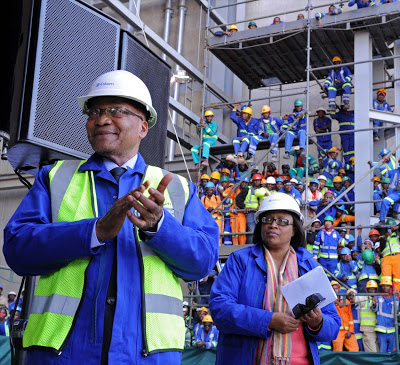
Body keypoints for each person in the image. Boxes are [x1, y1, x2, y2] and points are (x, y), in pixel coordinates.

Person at [3, 70, 219, 364]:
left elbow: (203, 261)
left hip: (146, 356)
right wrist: (95, 231)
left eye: (116, 110)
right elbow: (17, 249)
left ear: (143, 127)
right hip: (63, 354)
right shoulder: (54, 178)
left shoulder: (177, 188)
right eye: (95, 111)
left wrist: (160, 227)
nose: (102, 119)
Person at [209, 193, 340, 364]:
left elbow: (333, 326)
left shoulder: (309, 267)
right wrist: (268, 321)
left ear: (295, 229)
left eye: (282, 221)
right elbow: (220, 309)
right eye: (267, 220)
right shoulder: (240, 261)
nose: (273, 225)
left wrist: (318, 322)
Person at [372, 277, 398, 352]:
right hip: (381, 329)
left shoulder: (395, 299)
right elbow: (373, 309)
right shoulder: (377, 297)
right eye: (383, 285)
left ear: (390, 287)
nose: (385, 287)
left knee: (392, 353)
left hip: (392, 329)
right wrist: (374, 305)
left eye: (387, 285)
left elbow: (398, 312)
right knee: (382, 352)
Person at [331, 284, 359, 352]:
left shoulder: (346, 302)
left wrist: (351, 331)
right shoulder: (330, 302)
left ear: (339, 289)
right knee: (337, 351)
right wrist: (337, 302)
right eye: (333, 289)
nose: (335, 290)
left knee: (355, 350)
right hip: (337, 331)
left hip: (348, 331)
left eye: (336, 288)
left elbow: (350, 317)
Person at [356, 280, 379, 352]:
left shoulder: (378, 298)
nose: (373, 291)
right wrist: (352, 295)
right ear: (367, 290)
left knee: (378, 352)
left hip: (378, 329)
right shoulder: (364, 298)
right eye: (371, 289)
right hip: (367, 330)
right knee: (372, 352)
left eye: (374, 289)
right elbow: (355, 299)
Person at [201, 181, 224, 245]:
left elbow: (222, 207)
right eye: (208, 189)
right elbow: (201, 208)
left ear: (213, 189)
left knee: (218, 235)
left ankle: (219, 248)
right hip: (208, 220)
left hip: (218, 219)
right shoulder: (203, 198)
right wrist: (207, 209)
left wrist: (213, 208)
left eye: (211, 189)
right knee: (208, 235)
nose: (209, 191)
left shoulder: (217, 198)